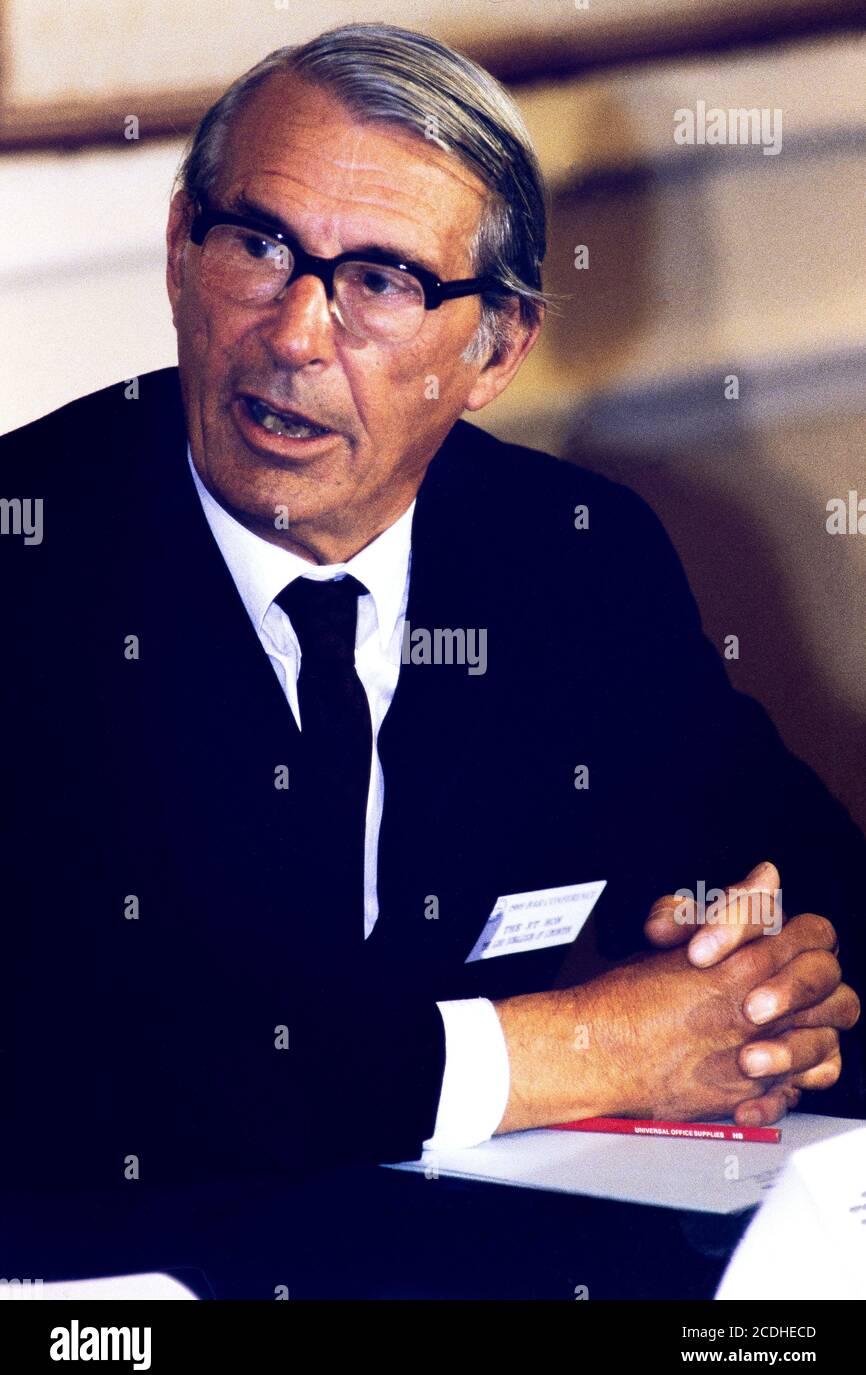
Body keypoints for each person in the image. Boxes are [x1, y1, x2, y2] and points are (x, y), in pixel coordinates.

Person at [1, 23, 861, 1196]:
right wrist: (572, 1050)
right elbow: (77, 1075)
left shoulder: (568, 561)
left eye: (380, 281)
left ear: (496, 348)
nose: (297, 335)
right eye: (257, 244)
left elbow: (797, 875)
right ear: (175, 250)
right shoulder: (31, 561)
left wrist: (775, 988)